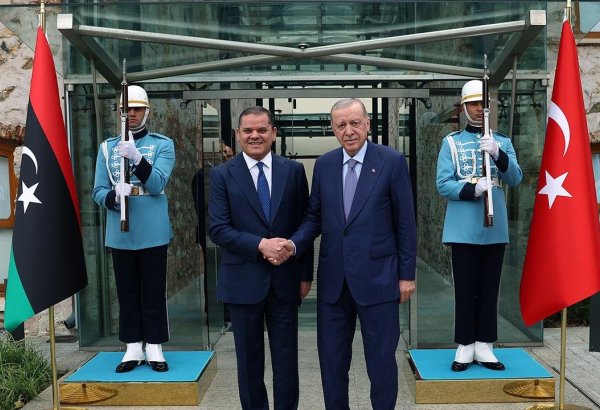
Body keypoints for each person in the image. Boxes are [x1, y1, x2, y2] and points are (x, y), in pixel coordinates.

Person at [281, 98, 417, 410]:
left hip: (379, 280)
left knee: (381, 365)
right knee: (332, 365)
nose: (349, 131)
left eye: (355, 123)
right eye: (341, 125)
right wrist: (293, 244)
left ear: (367, 124)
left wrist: (407, 276)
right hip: (333, 285)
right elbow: (314, 217)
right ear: (333, 129)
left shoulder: (391, 161)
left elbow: (405, 223)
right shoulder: (325, 165)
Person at [208, 106, 313, 410]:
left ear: (274, 133)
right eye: (248, 130)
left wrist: (305, 274)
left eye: (262, 130)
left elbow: (306, 222)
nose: (255, 135)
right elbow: (218, 228)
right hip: (242, 282)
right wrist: (260, 245)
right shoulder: (222, 175)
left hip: (285, 281)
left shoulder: (293, 171)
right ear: (238, 134)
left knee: (286, 362)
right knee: (248, 363)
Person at [436, 80, 522, 372]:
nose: (477, 109)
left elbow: (515, 178)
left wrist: (498, 153)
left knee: (489, 288)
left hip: (494, 228)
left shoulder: (502, 141)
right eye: (472, 104)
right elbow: (443, 184)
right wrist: (472, 188)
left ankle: (485, 344)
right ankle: (465, 344)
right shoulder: (451, 143)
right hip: (463, 227)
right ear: (463, 108)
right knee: (465, 288)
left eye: (482, 104)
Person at [92, 85, 175, 373]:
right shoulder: (106, 148)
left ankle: (154, 345)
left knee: (153, 290)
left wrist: (138, 159)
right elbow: (97, 190)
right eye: (127, 110)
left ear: (147, 112)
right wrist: (114, 196)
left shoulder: (163, 144)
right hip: (121, 230)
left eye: (137, 109)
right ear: (119, 113)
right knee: (126, 290)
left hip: (152, 227)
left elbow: (157, 184)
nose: (132, 114)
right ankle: (132, 346)